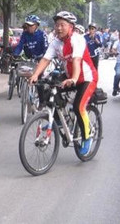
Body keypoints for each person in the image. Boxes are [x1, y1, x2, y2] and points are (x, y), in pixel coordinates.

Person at [29, 11, 98, 156]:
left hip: (86, 78)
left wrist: (73, 79)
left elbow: (77, 60)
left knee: (78, 107)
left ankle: (87, 137)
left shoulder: (77, 39)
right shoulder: (56, 42)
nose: (58, 28)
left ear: (71, 26)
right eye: (56, 25)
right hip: (69, 77)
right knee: (49, 92)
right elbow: (45, 59)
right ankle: (58, 121)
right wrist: (35, 75)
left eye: (62, 25)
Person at [111, 30, 120, 96]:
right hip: (119, 62)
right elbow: (113, 49)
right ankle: (115, 88)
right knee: (117, 74)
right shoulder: (117, 42)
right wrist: (114, 52)